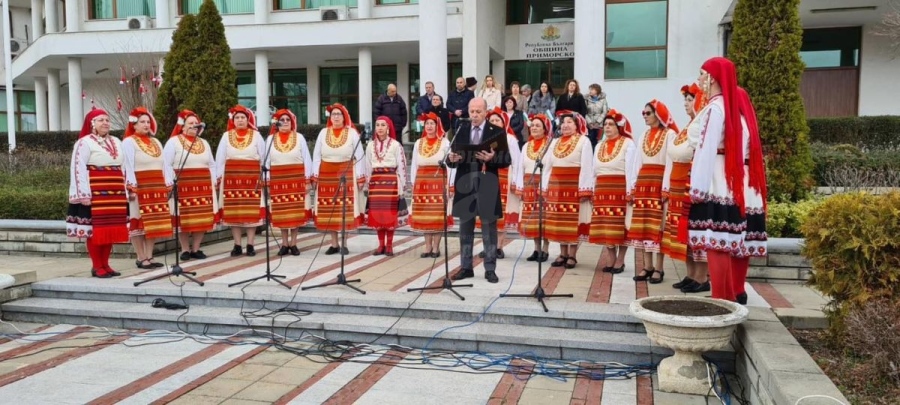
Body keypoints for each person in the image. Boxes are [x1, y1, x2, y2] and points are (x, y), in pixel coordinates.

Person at [688, 57, 768, 305]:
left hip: (721, 177)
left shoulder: (716, 108)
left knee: (717, 238)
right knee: (735, 239)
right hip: (741, 179)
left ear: (712, 78)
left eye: (702, 74)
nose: (700, 79)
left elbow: (706, 148)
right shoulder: (738, 107)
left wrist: (697, 187)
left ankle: (721, 298)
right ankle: (736, 291)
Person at [447, 98, 512, 283]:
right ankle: (466, 267)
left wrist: (493, 157)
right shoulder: (460, 130)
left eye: (478, 111)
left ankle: (490, 268)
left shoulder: (496, 132)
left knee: (488, 230)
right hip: (465, 184)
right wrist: (451, 158)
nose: (474, 115)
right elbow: (450, 161)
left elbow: (506, 159)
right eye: (471, 111)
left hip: (487, 184)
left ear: (485, 112)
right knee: (465, 230)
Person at [66, 108, 129, 278]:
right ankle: (96, 266)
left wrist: (128, 187)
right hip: (96, 192)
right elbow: (77, 167)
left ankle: (106, 264)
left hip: (115, 193)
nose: (105, 123)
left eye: (107, 120)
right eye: (101, 120)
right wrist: (83, 194)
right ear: (92, 123)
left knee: (110, 229)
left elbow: (125, 166)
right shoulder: (84, 142)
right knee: (95, 230)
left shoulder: (116, 141)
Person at [666, 84, 711, 293]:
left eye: (690, 99)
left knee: (695, 230)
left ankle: (702, 277)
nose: (686, 103)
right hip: (677, 184)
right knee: (683, 233)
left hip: (691, 182)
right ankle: (690, 274)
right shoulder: (688, 127)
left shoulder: (702, 126)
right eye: (685, 99)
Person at [629, 100, 679, 284]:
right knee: (644, 225)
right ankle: (646, 266)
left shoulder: (670, 134)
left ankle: (659, 268)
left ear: (658, 114)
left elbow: (671, 162)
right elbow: (637, 163)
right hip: (644, 184)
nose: (644, 116)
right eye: (643, 113)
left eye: (648, 113)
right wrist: (634, 186)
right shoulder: (643, 135)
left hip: (659, 183)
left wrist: (666, 188)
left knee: (659, 226)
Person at [311, 103, 367, 255]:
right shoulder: (323, 133)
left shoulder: (352, 133)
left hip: (345, 173)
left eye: (338, 114)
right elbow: (316, 156)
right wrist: (315, 176)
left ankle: (344, 243)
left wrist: (360, 178)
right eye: (333, 114)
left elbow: (360, 155)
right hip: (326, 174)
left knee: (344, 210)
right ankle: (333, 244)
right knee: (330, 208)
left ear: (344, 117)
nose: (335, 117)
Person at [163, 110, 217, 261]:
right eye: (190, 123)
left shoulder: (204, 142)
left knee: (201, 218)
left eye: (196, 123)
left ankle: (196, 248)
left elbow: (211, 164)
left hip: (203, 185)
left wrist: (212, 181)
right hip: (183, 184)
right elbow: (166, 164)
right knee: (184, 217)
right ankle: (185, 249)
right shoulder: (173, 142)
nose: (194, 126)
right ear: (182, 126)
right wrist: (170, 182)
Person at [544, 111, 594, 269]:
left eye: (569, 122)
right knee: (559, 220)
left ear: (577, 125)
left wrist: (584, 189)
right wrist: (545, 187)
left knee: (572, 220)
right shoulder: (554, 142)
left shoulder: (583, 141)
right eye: (563, 122)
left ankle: (572, 255)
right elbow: (547, 166)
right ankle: (562, 253)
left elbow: (587, 166)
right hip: (557, 186)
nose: (565, 125)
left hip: (573, 185)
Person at [122, 107, 170, 269]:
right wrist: (131, 185)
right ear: (134, 125)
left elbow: (164, 164)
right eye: (142, 122)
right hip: (140, 186)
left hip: (156, 185)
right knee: (138, 221)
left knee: (154, 223)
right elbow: (127, 164)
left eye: (148, 121)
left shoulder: (156, 142)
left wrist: (166, 182)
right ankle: (140, 257)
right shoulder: (129, 142)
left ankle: (149, 255)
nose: (146, 124)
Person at [589, 109, 636, 274]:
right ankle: (610, 257)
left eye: (611, 124)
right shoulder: (599, 145)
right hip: (602, 189)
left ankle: (620, 260)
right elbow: (594, 171)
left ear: (618, 127)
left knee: (619, 226)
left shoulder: (628, 143)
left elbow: (631, 170)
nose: (607, 127)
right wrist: (593, 190)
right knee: (605, 225)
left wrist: (631, 190)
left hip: (619, 189)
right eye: (605, 124)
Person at [216, 105, 266, 257]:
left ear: (248, 119)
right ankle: (237, 244)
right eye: (237, 118)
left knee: (251, 212)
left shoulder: (256, 135)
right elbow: (220, 158)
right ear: (233, 120)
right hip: (232, 178)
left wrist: (263, 177)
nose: (240, 120)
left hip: (252, 177)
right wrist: (218, 177)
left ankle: (250, 244)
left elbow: (263, 156)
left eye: (243, 118)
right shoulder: (226, 135)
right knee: (234, 212)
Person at [265, 109, 313, 256]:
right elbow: (266, 162)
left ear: (292, 122)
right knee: (282, 212)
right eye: (282, 120)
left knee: (295, 213)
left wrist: (307, 180)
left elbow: (307, 159)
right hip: (278, 180)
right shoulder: (270, 139)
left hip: (296, 179)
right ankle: (284, 244)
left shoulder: (299, 138)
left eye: (287, 120)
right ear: (277, 123)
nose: (285, 122)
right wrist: (267, 182)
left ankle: (294, 243)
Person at [477, 107, 522, 259]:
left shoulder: (510, 139)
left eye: (498, 120)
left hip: (504, 177)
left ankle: (498, 247)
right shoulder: (483, 138)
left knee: (500, 214)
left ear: (504, 123)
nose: (495, 122)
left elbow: (516, 161)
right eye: (492, 120)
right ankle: (487, 246)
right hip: (486, 177)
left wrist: (516, 181)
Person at [409, 112, 454, 258]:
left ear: (437, 126)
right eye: (427, 123)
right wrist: (413, 182)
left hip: (438, 181)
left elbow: (450, 164)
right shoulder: (418, 143)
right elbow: (414, 164)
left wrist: (450, 185)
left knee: (437, 215)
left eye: (432, 124)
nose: (429, 126)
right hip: (422, 182)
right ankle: (427, 246)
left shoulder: (445, 143)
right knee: (424, 215)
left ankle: (436, 247)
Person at [365, 116, 409, 256]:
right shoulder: (370, 145)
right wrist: (367, 182)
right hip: (376, 182)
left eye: (383, 125)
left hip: (391, 182)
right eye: (377, 125)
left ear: (388, 128)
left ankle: (389, 245)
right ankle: (380, 245)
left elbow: (402, 165)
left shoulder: (396, 145)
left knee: (389, 215)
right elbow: (367, 164)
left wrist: (402, 184)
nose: (379, 128)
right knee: (378, 215)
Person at [515, 114, 553, 262]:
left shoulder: (550, 144)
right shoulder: (526, 146)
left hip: (544, 182)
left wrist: (545, 186)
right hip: (529, 182)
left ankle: (545, 249)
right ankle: (536, 249)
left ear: (545, 128)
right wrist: (521, 187)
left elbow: (550, 166)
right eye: (533, 125)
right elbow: (520, 167)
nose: (535, 128)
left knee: (543, 217)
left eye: (538, 125)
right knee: (532, 218)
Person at [585, 83, 610, 148]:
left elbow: (604, 112)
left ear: (597, 90)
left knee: (599, 142)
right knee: (590, 142)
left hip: (599, 125)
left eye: (592, 89)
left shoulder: (603, 100)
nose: (590, 91)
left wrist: (598, 122)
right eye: (590, 89)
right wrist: (589, 122)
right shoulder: (586, 99)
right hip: (590, 125)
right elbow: (584, 112)